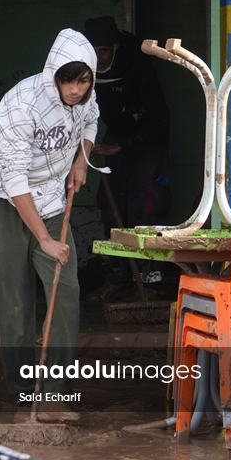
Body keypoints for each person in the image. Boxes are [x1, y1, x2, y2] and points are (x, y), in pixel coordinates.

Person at [0, 29, 97, 406]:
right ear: (53, 74)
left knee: (66, 292)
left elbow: (91, 122)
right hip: (6, 201)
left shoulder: (87, 98)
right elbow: (13, 178)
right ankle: (21, 389)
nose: (75, 89)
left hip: (52, 200)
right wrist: (44, 239)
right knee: (14, 304)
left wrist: (82, 160)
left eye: (83, 80)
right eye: (68, 80)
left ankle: (57, 390)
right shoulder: (20, 104)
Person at [83, 16, 171, 289]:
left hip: (147, 135)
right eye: (93, 52)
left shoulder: (136, 63)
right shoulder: (83, 66)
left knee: (143, 202)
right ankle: (120, 272)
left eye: (104, 51)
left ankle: (150, 274)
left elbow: (160, 118)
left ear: (116, 47)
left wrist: (122, 146)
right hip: (116, 133)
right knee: (111, 204)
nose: (98, 59)